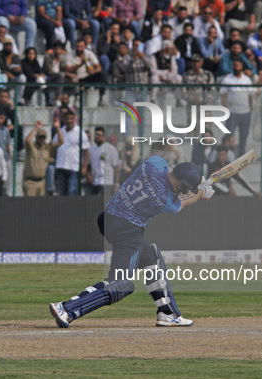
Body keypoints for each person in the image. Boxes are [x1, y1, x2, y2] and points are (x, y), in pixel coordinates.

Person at [49, 158, 215, 328]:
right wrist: (201, 191)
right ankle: (67, 309)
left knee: (151, 257)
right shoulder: (162, 198)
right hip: (127, 232)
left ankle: (167, 313)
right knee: (120, 284)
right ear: (182, 182)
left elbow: (170, 172)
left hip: (108, 218)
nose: (185, 190)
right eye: (185, 186)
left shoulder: (154, 163)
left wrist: (195, 183)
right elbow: (184, 202)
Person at [220, 59, 254, 156]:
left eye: (238, 66)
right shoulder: (227, 79)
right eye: (235, 66)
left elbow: (251, 96)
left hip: (245, 112)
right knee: (229, 136)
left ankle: (241, 156)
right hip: (232, 112)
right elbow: (223, 95)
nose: (236, 68)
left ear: (241, 67)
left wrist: (251, 110)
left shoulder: (246, 80)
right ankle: (229, 156)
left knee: (243, 137)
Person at [52, 109, 90, 195]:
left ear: (74, 119)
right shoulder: (60, 131)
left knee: (72, 191)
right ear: (64, 119)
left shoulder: (80, 132)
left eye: (71, 118)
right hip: (61, 166)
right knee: (62, 192)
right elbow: (54, 146)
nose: (69, 120)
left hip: (74, 167)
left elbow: (85, 151)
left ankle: (73, 209)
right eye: (67, 118)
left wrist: (84, 166)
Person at [88, 127, 121, 195]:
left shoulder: (111, 149)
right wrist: (89, 176)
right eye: (95, 135)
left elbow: (116, 168)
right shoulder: (91, 149)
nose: (96, 137)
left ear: (104, 137)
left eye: (99, 135)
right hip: (95, 182)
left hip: (107, 183)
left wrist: (116, 185)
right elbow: (89, 165)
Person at [23, 120, 53, 196]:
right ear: (36, 137)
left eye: (43, 137)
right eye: (40, 137)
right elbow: (27, 140)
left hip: (41, 182)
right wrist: (36, 128)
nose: (41, 139)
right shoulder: (31, 147)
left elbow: (61, 142)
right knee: (30, 205)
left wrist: (58, 128)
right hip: (30, 182)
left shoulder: (47, 148)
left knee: (40, 206)